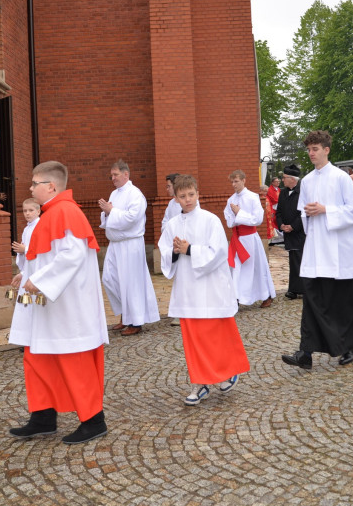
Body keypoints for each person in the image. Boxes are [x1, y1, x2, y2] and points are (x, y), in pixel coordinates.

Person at [8, 161, 109, 445]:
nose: (30, 188)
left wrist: (39, 281)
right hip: (45, 304)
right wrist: (26, 275)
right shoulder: (51, 214)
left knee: (72, 359)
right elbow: (45, 256)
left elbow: (71, 256)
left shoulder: (65, 212)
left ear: (50, 186)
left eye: (34, 183)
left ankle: (93, 420)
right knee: (38, 356)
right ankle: (42, 415)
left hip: (67, 306)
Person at [158, 175, 250, 406]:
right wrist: (175, 252)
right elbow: (165, 254)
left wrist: (189, 250)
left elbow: (218, 253)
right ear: (176, 199)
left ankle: (227, 372)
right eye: (182, 196)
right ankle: (199, 384)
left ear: (198, 193)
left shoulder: (210, 220)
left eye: (191, 194)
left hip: (210, 289)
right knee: (194, 340)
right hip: (188, 290)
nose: (187, 200)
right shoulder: (172, 225)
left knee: (215, 337)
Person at [281, 131, 353, 371]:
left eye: (315, 149)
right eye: (308, 149)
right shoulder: (306, 181)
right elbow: (304, 214)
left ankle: (348, 346)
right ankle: (305, 353)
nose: (311, 153)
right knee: (312, 302)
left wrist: (326, 210)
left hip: (338, 251)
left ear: (327, 150)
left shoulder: (341, 178)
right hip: (316, 250)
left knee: (341, 302)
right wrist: (310, 213)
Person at [98, 160, 160, 336]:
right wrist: (107, 211)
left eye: (115, 175)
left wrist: (111, 211)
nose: (113, 178)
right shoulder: (114, 193)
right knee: (109, 279)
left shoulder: (135, 194)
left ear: (126, 174)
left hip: (130, 243)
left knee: (130, 283)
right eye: (111, 175)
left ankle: (135, 321)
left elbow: (133, 218)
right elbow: (111, 215)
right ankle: (125, 314)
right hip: (115, 244)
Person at [224, 169, 277, 308]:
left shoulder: (253, 197)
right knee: (236, 268)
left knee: (257, 268)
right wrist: (235, 216)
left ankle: (266, 295)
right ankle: (236, 297)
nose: (234, 185)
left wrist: (239, 213)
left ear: (243, 180)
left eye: (236, 181)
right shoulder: (231, 199)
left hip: (251, 239)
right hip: (238, 239)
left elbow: (258, 219)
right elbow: (228, 219)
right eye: (232, 182)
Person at [274, 163, 305, 300]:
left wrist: (293, 226)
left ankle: (302, 289)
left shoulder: (302, 192)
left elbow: (303, 213)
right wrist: (281, 225)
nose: (282, 180)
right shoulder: (283, 192)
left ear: (293, 179)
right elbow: (279, 211)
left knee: (300, 259)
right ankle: (294, 288)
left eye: (284, 177)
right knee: (293, 260)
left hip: (300, 232)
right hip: (288, 232)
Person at [161, 173, 183, 326]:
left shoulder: (185, 202)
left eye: (168, 186)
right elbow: (165, 222)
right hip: (173, 245)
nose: (167, 189)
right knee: (178, 280)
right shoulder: (170, 204)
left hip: (183, 246)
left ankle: (184, 313)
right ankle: (179, 312)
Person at [9, 197, 41, 295]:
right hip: (29, 268)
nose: (27, 213)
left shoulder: (40, 226)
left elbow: (42, 249)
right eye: (25, 211)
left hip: (37, 268)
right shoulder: (27, 229)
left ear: (38, 211)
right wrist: (21, 252)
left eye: (31, 210)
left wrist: (25, 249)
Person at [266, 176, 282, 246]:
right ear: (272, 182)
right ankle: (274, 239)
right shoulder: (270, 189)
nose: (278, 183)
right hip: (273, 207)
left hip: (278, 207)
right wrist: (279, 201)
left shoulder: (278, 189)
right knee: (274, 222)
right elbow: (272, 198)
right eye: (276, 181)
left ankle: (279, 238)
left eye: (278, 181)